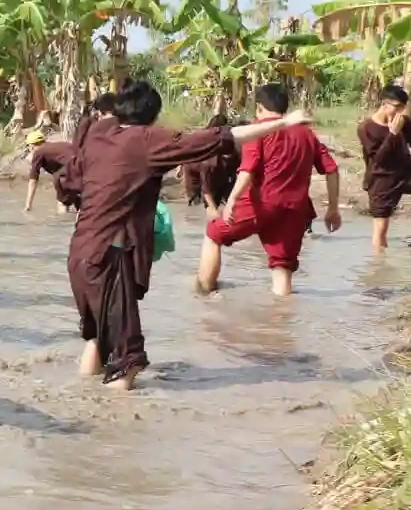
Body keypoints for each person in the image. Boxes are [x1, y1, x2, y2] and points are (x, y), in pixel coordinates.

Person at [72, 80, 312, 389]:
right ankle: (114, 415)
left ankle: (83, 397)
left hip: (80, 254)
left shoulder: (97, 135)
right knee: (126, 362)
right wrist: (284, 123)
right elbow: (221, 137)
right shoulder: (146, 140)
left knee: (97, 338)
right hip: (109, 260)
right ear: (152, 116)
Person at [198, 83, 340, 298]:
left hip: (259, 204)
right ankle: (281, 314)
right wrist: (333, 209)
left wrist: (233, 200)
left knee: (214, 233)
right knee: (282, 265)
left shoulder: (258, 130)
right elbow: (331, 169)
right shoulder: (306, 133)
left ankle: (204, 294)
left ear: (259, 107)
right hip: (294, 210)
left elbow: (247, 170)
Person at [358, 85, 410, 253]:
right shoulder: (366, 128)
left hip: (405, 172)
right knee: (380, 230)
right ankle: (378, 264)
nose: (400, 112)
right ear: (384, 104)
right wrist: (392, 134)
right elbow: (379, 160)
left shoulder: (403, 121)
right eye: (397, 107)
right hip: (381, 178)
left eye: (403, 108)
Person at [180, 114, 239, 219]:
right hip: (193, 167)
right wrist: (213, 209)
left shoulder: (232, 149)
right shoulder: (210, 161)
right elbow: (206, 189)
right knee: (196, 201)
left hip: (213, 169)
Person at [23, 130, 82, 215]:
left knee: (61, 196)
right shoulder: (59, 145)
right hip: (86, 166)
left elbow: (33, 180)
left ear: (31, 145)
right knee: (68, 190)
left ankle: (62, 218)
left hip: (73, 169)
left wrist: (28, 204)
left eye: (28, 146)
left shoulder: (39, 152)